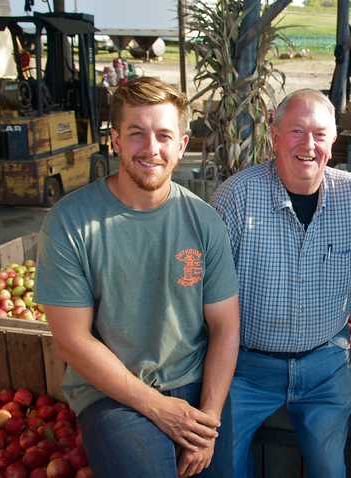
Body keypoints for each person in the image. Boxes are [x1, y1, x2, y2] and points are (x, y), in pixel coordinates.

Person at [35, 77, 240, 478]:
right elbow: (72, 341)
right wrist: (159, 408)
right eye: (136, 134)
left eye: (164, 135)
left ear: (182, 146)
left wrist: (209, 418)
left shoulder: (204, 221)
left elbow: (225, 326)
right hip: (113, 392)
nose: (151, 149)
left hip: (195, 383)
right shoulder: (71, 222)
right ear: (115, 140)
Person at [212, 89, 351, 478]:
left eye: (320, 134)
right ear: (273, 133)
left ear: (334, 138)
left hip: (325, 367)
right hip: (244, 368)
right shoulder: (236, 199)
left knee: (329, 470)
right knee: (221, 470)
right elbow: (205, 299)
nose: (308, 145)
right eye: (296, 131)